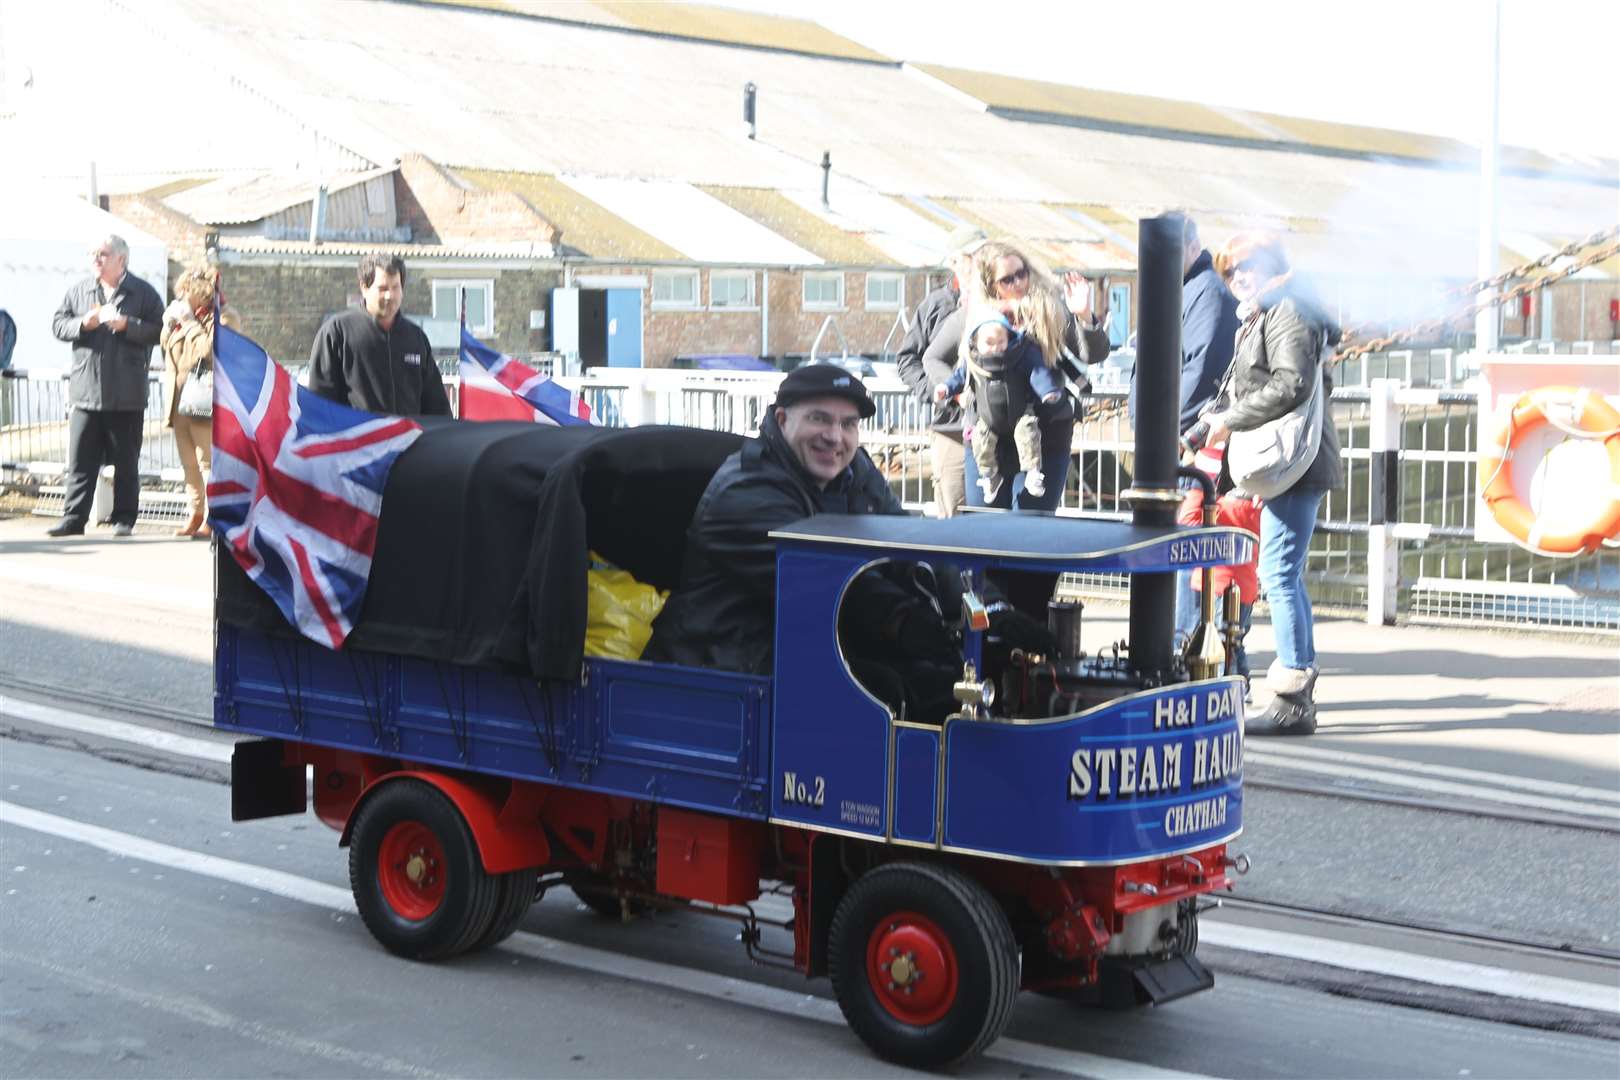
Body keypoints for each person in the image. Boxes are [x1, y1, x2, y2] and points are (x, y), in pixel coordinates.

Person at [643, 365, 963, 720]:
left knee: (943, 681)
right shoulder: (747, 487)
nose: (834, 436)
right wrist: (904, 621)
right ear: (782, 419)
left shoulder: (853, 469)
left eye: (848, 424)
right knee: (891, 692)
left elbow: (906, 543)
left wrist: (981, 604)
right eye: (819, 419)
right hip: (724, 669)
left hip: (799, 647)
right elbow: (826, 578)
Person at [1200, 232, 1342, 736]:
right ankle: (1296, 693)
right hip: (1296, 461)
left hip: (1294, 464)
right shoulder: (1276, 309)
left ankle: (1292, 696)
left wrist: (1230, 419)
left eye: (1248, 266)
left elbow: (1291, 383)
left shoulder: (1286, 311)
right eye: (1231, 269)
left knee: (1278, 574)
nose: (1239, 275)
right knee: (1286, 573)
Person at [1131, 212, 1243, 651]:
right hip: (1169, 440)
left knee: (1184, 546)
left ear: (1192, 247)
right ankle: (1180, 638)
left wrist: (1165, 431)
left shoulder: (1208, 295)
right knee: (1172, 543)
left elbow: (1199, 373)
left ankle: (1185, 641)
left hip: (1183, 443)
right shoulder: (1185, 291)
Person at [957, 241, 1110, 511]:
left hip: (1043, 437)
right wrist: (952, 391)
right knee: (983, 530)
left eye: (1022, 273)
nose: (1018, 282)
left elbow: (1093, 354)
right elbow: (931, 356)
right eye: (1008, 278)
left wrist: (1084, 315)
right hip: (988, 439)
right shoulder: (977, 316)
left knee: (1029, 529)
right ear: (991, 285)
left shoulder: (1048, 308)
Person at [48, 235, 166, 537]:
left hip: (126, 394)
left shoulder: (142, 292)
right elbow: (59, 324)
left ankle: (123, 519)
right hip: (86, 392)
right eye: (93, 254)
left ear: (121, 260)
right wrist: (82, 324)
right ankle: (74, 519)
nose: (96, 260)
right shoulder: (80, 291)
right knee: (80, 461)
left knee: (126, 461)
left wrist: (129, 326)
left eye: (102, 254)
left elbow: (161, 329)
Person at [896, 225, 987, 517]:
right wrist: (945, 394)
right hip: (952, 430)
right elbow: (908, 360)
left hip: (995, 429)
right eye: (971, 256)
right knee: (955, 517)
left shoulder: (1000, 301)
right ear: (954, 263)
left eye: (983, 253)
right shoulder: (935, 305)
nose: (979, 261)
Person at [935, 309, 1064, 503]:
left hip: (1019, 412)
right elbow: (958, 378)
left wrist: (1048, 392)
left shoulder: (1019, 355)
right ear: (976, 342)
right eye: (989, 343)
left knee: (1028, 431)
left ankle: (1033, 472)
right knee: (980, 439)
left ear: (1009, 338)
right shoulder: (972, 361)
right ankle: (989, 475)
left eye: (1000, 342)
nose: (995, 348)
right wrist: (946, 389)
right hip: (987, 417)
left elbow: (1038, 374)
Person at [307, 253, 451, 417]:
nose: (390, 295)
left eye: (395, 287)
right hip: (358, 441)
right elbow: (319, 404)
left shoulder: (416, 339)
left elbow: (437, 409)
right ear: (364, 287)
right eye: (383, 289)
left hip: (409, 442)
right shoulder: (337, 333)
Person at [160, 267, 232, 538]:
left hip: (205, 401)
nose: (179, 297)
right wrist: (170, 324)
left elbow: (210, 351)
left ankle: (213, 516)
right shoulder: (182, 317)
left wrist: (190, 324)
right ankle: (196, 511)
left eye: (184, 292)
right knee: (188, 462)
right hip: (180, 401)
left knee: (207, 462)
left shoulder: (221, 317)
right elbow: (167, 349)